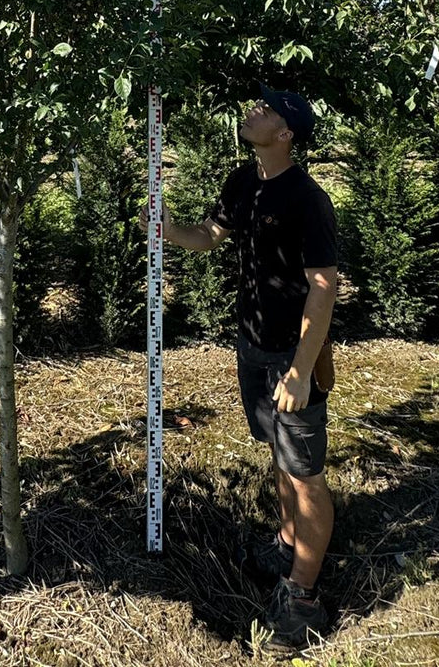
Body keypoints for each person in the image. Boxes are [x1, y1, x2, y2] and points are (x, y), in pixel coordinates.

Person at [144, 84, 337, 646]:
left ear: (287, 134)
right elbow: (210, 236)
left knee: (305, 474)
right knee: (279, 456)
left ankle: (303, 598)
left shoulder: (308, 199)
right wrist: (168, 232)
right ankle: (285, 546)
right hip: (251, 346)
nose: (252, 111)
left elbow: (323, 288)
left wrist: (300, 370)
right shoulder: (242, 181)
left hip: (291, 356)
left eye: (267, 110)